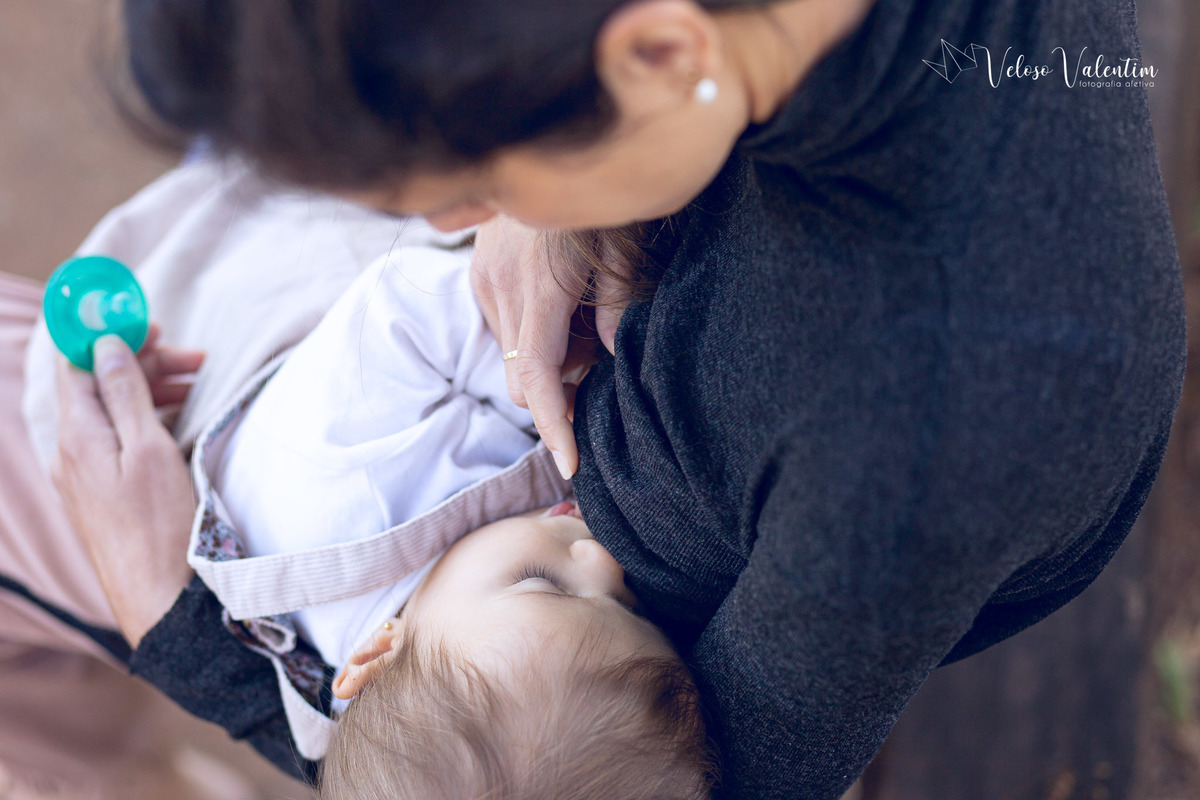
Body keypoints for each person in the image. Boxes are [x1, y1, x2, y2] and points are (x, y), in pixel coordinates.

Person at [53, 0, 1185, 797]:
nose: (457, 229)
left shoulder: (904, 435)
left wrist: (178, 631)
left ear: (654, 56)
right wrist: (550, 193)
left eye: (475, 182)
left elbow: (573, 771)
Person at [11, 159, 713, 798]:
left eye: (544, 583)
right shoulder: (429, 699)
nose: (602, 561)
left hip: (152, 371)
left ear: (374, 655)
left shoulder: (353, 488)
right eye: (631, 610)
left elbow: (400, 307)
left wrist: (535, 377)